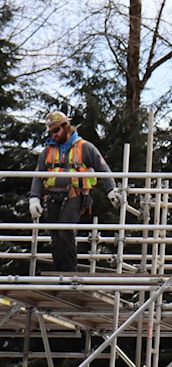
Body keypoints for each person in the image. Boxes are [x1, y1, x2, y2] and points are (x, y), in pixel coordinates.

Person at [28, 111, 123, 272]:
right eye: (51, 132)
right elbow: (38, 175)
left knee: (65, 231)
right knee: (55, 235)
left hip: (74, 194)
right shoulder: (47, 151)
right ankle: (58, 272)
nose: (54, 135)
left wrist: (111, 190)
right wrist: (34, 198)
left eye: (56, 130)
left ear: (66, 127)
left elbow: (103, 168)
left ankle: (69, 272)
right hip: (51, 196)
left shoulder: (85, 147)